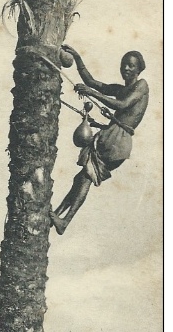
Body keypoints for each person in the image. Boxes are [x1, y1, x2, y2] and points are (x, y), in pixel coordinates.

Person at [50, 49, 149, 234]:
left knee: (86, 176)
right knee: (81, 178)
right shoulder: (120, 89)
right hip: (112, 136)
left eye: (131, 65)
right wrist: (78, 58)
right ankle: (56, 216)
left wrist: (91, 93)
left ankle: (64, 221)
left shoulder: (141, 85)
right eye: (123, 64)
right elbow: (92, 82)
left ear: (139, 69)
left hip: (118, 142)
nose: (126, 68)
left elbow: (122, 105)